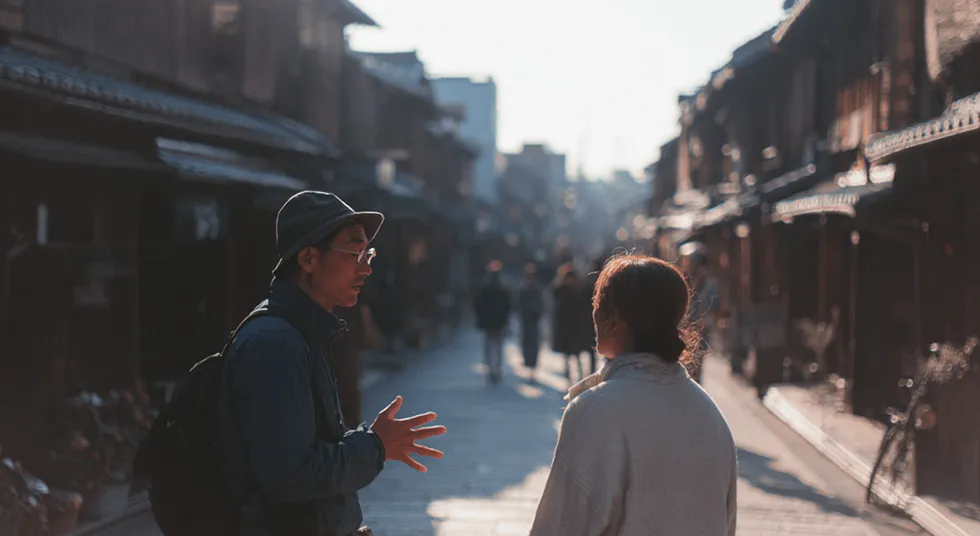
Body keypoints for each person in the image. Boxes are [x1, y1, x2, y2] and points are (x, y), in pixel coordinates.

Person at [218, 191, 447, 536]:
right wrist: (375, 446)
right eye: (354, 252)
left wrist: (372, 441)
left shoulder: (303, 331)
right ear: (309, 259)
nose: (366, 267)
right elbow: (288, 475)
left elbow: (306, 451)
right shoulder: (277, 343)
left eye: (367, 253)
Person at [529, 254, 737, 536]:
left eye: (596, 302)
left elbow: (559, 526)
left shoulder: (595, 411)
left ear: (614, 320)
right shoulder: (711, 415)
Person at [474, 263, 511, 383]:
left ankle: (491, 369)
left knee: (489, 347)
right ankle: (496, 369)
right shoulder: (502, 290)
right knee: (498, 347)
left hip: (489, 323)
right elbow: (507, 306)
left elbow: (478, 306)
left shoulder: (485, 290)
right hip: (498, 322)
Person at [552, 264, 588, 383]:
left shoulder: (579, 291)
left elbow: (582, 310)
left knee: (577, 354)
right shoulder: (560, 291)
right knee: (567, 354)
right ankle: (568, 374)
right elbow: (557, 312)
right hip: (565, 328)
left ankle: (579, 376)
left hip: (576, 328)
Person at [518, 263, 545, 383]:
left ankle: (531, 364)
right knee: (530, 342)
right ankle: (530, 363)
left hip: (531, 319)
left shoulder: (530, 288)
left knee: (531, 342)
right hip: (529, 319)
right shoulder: (526, 288)